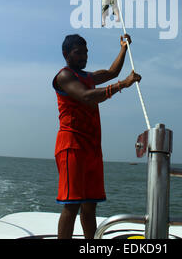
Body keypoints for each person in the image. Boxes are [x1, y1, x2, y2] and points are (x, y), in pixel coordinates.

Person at [53, 33, 141, 239]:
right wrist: (122, 84)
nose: (84, 56)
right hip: (71, 147)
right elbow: (85, 96)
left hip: (92, 148)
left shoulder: (88, 77)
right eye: (78, 53)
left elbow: (112, 71)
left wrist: (123, 48)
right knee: (71, 205)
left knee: (90, 205)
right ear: (66, 54)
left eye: (85, 52)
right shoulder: (64, 76)